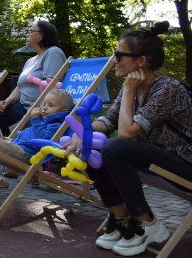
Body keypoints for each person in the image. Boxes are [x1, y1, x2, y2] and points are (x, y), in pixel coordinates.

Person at [60, 21, 192, 256]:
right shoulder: (129, 86)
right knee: (93, 150)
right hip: (158, 157)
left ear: (141, 61)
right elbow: (108, 121)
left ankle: (146, 222)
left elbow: (126, 133)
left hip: (185, 163)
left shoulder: (167, 88)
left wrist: (130, 90)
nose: (114, 60)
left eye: (120, 55)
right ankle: (120, 217)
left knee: (115, 148)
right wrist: (83, 135)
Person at [0, 20, 67, 169]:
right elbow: (20, 87)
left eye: (31, 31)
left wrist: (39, 110)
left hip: (40, 108)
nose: (27, 34)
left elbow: (52, 85)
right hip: (23, 105)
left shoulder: (53, 53)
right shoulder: (31, 60)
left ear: (42, 35)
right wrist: (7, 101)